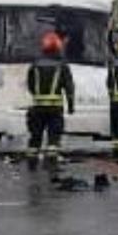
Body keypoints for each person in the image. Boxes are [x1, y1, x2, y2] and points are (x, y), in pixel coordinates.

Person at [26, 31, 75, 169]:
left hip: (37, 107)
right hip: (55, 108)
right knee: (53, 137)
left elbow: (30, 85)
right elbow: (69, 87)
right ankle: (51, 163)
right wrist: (71, 106)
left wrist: (37, 95)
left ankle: (32, 162)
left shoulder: (35, 64)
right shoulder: (62, 65)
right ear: (58, 47)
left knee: (35, 135)